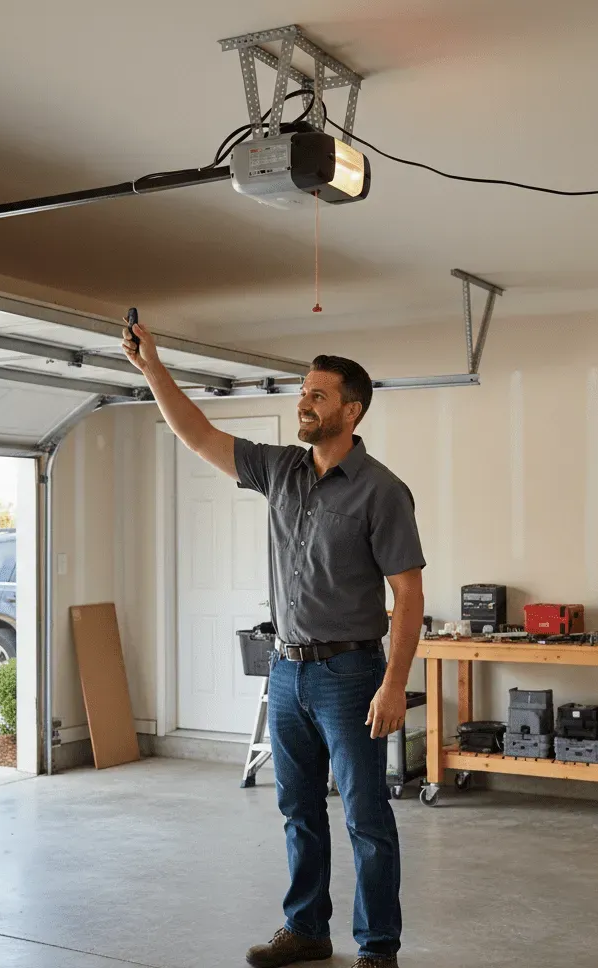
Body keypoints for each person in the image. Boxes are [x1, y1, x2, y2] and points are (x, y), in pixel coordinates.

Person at [121, 316, 425, 968]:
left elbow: (409, 596)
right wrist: (151, 368)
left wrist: (393, 682)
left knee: (366, 818)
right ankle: (306, 929)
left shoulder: (382, 490)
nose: (303, 404)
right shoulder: (280, 469)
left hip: (351, 675)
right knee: (297, 810)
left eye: (316, 395)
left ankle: (378, 947)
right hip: (285, 672)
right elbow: (197, 434)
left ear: (351, 408)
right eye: (301, 394)